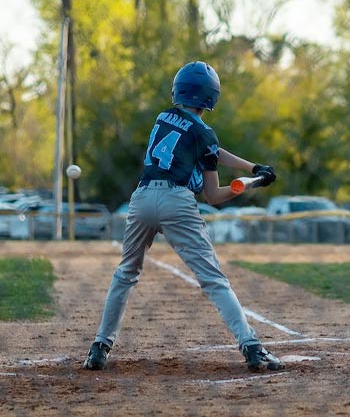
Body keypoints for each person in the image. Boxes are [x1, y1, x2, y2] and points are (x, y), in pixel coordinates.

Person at [82, 61, 284, 373]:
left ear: (179, 91)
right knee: (213, 279)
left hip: (142, 198)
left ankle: (99, 347)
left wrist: (252, 169)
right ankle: (252, 347)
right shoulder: (203, 133)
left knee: (125, 273)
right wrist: (241, 188)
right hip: (176, 202)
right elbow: (213, 195)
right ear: (211, 97)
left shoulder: (164, 117)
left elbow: (211, 148)